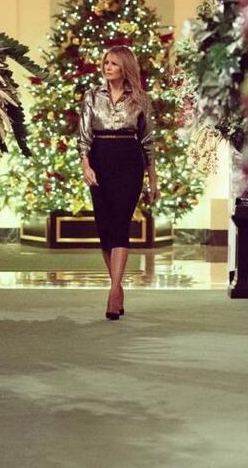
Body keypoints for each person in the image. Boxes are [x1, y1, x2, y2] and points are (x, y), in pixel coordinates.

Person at [78, 45, 158, 320]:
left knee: (121, 223)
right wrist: (86, 165)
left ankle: (113, 291)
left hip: (129, 162)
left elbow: (147, 141)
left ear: (125, 68)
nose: (107, 67)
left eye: (113, 63)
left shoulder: (141, 99)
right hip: (99, 160)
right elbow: (84, 137)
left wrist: (153, 179)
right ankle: (118, 285)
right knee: (105, 227)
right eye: (105, 62)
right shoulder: (91, 96)